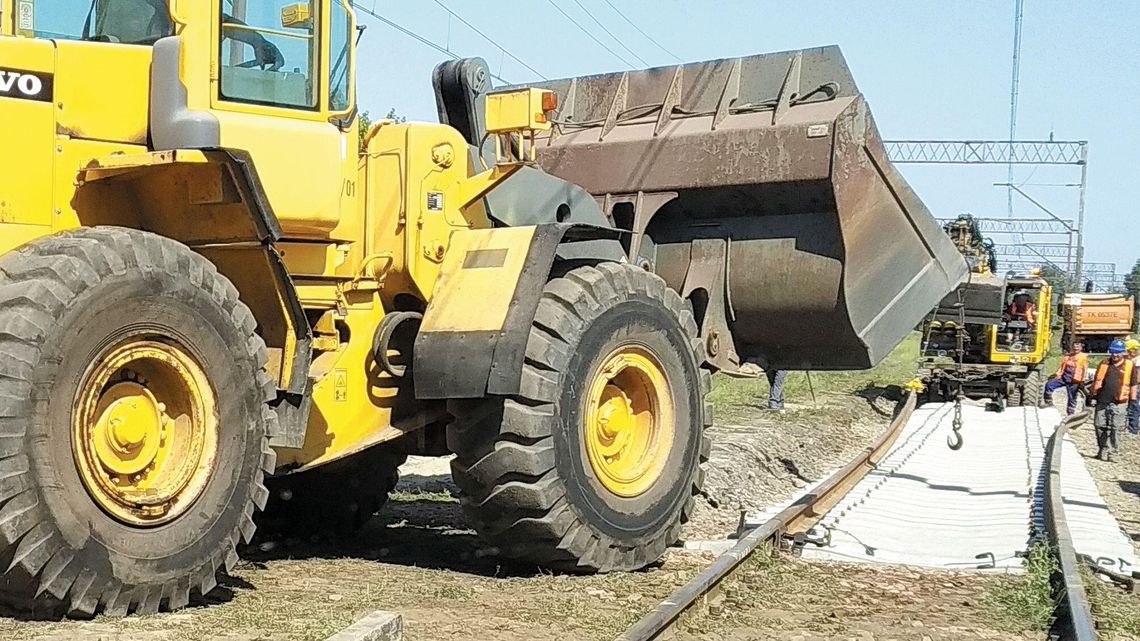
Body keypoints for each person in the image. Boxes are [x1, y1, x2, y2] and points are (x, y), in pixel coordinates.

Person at [1089, 339, 1139, 462]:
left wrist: (1132, 401)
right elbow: (1096, 381)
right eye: (1113, 352)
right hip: (1102, 401)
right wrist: (1091, 396)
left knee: (1116, 428)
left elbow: (1133, 384)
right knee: (1099, 425)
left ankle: (1113, 453)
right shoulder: (1104, 363)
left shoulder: (1129, 365)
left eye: (1118, 352)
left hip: (1120, 403)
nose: (1115, 355)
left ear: (1123, 353)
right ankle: (1103, 449)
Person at [1045, 340, 1087, 415]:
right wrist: (1056, 375)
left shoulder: (1083, 357)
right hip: (1063, 378)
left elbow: (1084, 370)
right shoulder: (1068, 356)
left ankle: (1070, 414)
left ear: (1081, 348)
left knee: (1072, 398)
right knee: (1049, 385)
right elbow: (1062, 367)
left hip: (1074, 380)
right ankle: (1048, 403)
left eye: (1078, 347)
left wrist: (1082, 381)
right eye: (1074, 347)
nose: (1075, 348)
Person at [1128, 338, 1140, 435]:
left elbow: (1137, 375)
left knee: (1134, 406)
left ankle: (1133, 429)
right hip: (1135, 386)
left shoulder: (1137, 361)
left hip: (1136, 387)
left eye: (1129, 350)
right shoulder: (1134, 360)